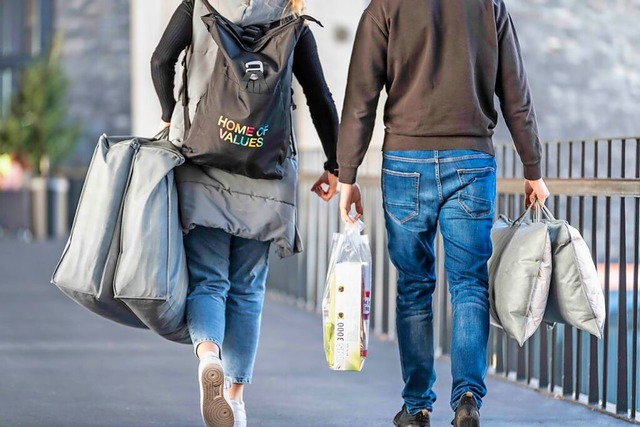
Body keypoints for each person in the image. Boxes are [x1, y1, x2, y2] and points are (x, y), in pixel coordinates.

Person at [337, 0, 550, 426]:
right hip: (471, 159)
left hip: (405, 161)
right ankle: (468, 397)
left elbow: (361, 95)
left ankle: (416, 407)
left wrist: (347, 174)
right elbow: (515, 92)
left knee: (414, 287)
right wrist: (533, 168)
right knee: (468, 284)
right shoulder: (489, 5)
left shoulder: (385, 5)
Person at [151, 1, 340, 426]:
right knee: (248, 289)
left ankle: (208, 357)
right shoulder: (292, 21)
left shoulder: (199, 7)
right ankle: (234, 397)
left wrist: (168, 115)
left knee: (209, 280)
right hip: (267, 173)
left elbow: (161, 60)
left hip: (202, 162)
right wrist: (335, 164)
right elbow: (319, 97)